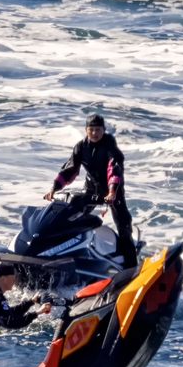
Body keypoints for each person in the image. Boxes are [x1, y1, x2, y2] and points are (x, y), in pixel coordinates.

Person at [48, 112, 135, 263]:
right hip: (91, 188)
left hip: (112, 191)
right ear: (86, 130)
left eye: (98, 130)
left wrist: (112, 191)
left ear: (104, 130)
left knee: (124, 224)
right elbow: (70, 169)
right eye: (91, 129)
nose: (94, 133)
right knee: (72, 216)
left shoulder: (109, 146)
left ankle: (131, 266)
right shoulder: (81, 147)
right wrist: (54, 188)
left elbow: (113, 170)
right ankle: (62, 252)